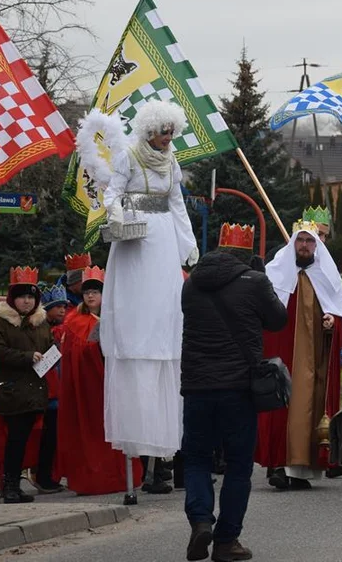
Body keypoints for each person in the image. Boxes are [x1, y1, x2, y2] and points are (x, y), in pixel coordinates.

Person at [99, 100, 199, 484]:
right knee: (138, 322)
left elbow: (177, 205)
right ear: (149, 131)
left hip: (161, 241)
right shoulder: (128, 156)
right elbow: (112, 193)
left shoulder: (170, 162)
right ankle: (139, 449)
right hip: (135, 238)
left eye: (172, 132)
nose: (168, 139)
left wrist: (186, 245)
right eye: (163, 132)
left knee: (165, 321)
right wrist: (118, 215)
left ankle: (163, 456)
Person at [180, 222, 288, 562]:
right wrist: (260, 279)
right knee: (239, 465)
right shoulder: (254, 281)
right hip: (239, 387)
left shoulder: (191, 284)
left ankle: (200, 522)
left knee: (196, 458)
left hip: (197, 386)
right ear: (247, 254)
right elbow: (278, 320)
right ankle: (226, 541)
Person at [257, 219, 342, 490]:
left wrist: (333, 321)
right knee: (281, 404)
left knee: (310, 405)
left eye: (310, 241)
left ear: (317, 246)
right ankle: (279, 465)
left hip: (314, 360)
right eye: (301, 240)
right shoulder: (274, 275)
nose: (305, 246)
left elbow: (339, 312)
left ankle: (301, 471)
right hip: (283, 357)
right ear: (292, 243)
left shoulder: (327, 276)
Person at [58, 266, 143, 495]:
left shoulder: (116, 317)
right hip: (89, 388)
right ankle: (93, 478)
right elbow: (72, 354)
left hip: (114, 382)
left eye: (96, 291)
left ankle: (120, 476)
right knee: (92, 434)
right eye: (87, 292)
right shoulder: (75, 321)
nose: (91, 295)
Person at [0, 267, 53, 503]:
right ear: (12, 299)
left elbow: (49, 346)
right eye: (22, 296)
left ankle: (15, 484)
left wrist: (53, 355)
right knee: (14, 441)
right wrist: (27, 357)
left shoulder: (41, 323)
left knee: (24, 441)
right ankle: (10, 486)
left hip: (34, 390)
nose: (26, 301)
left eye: (30, 297)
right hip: (12, 391)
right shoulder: (2, 324)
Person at [33, 284, 66, 494]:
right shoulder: (43, 329)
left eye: (64, 306)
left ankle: (49, 474)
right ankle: (42, 475)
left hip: (56, 389)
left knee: (52, 437)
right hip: (47, 390)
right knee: (46, 437)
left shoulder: (55, 328)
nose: (63, 310)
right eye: (58, 306)